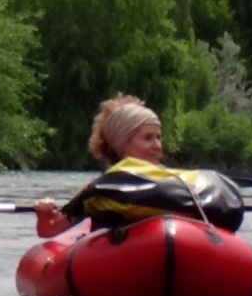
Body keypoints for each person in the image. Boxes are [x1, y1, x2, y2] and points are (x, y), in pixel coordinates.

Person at [33, 95, 165, 237]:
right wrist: (44, 215)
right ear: (122, 144)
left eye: (158, 137)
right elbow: (49, 231)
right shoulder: (99, 191)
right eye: (148, 138)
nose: (157, 146)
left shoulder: (176, 182)